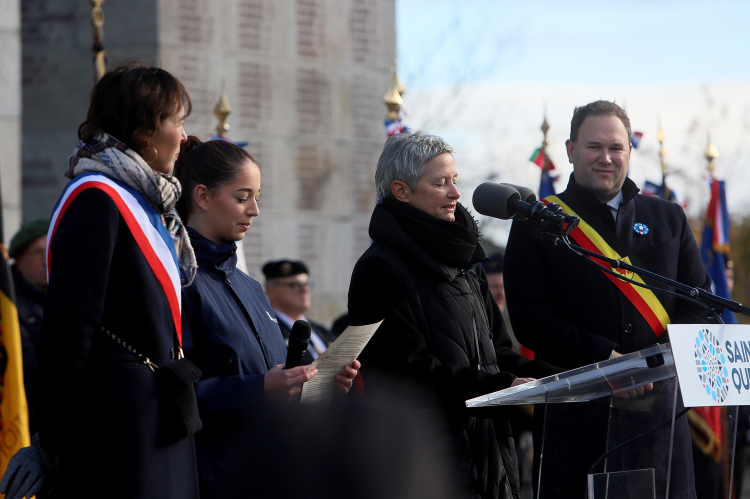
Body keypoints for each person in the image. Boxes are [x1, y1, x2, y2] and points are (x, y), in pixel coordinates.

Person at [504, 100, 712, 498]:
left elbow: (699, 300)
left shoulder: (669, 217)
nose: (606, 158)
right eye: (593, 147)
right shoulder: (538, 222)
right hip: (578, 422)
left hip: (661, 417)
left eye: (616, 148)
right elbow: (530, 318)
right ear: (570, 150)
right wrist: (607, 364)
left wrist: (656, 365)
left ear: (630, 152)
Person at [347, 130, 561, 499]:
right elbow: (406, 372)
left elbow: (501, 355)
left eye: (455, 181)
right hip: (425, 465)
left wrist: (566, 376)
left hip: (492, 453)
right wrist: (499, 388)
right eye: (440, 183)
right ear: (401, 191)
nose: (456, 193)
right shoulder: (379, 269)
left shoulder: (466, 262)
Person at [32, 63, 200, 498]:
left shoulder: (145, 200)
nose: (184, 136)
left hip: (155, 415)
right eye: (176, 122)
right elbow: (69, 330)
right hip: (118, 428)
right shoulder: (96, 198)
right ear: (145, 130)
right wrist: (49, 440)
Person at [174, 136, 359, 497]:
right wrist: (258, 389)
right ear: (203, 197)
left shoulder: (250, 286)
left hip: (279, 468)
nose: (254, 210)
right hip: (221, 479)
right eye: (242, 197)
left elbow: (278, 382)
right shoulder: (180, 282)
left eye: (257, 197)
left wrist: (319, 385)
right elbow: (171, 397)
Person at [8, 217, 49, 435]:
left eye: (50, 250)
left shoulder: (60, 296)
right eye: (38, 252)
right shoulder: (9, 304)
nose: (46, 259)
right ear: (18, 258)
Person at [263, 259, 338, 365]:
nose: (305, 290)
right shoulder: (267, 332)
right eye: (295, 285)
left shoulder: (321, 331)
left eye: (306, 284)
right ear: (272, 290)